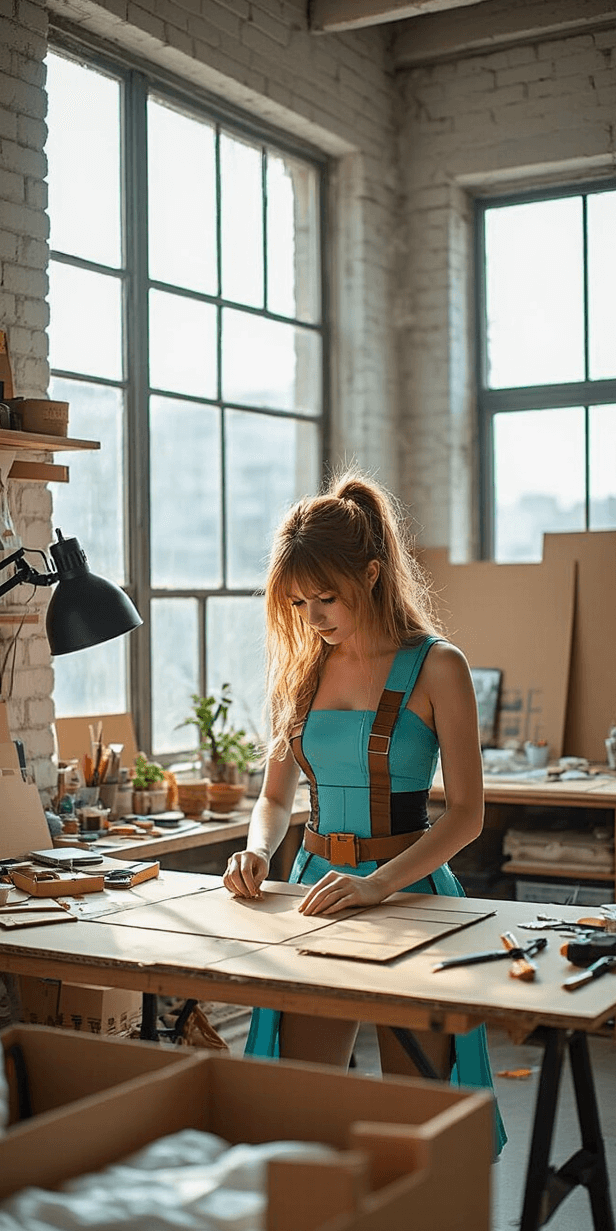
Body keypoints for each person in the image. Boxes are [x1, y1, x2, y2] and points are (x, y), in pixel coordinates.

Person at [223, 469, 505, 1154]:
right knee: (300, 1103)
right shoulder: (302, 670)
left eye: (327, 597)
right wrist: (259, 849)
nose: (314, 618)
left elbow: (467, 814)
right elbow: (275, 797)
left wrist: (379, 884)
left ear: (373, 574)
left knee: (421, 1116)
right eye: (298, 603)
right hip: (316, 891)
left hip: (412, 894)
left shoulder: (440, 667)